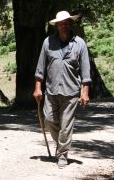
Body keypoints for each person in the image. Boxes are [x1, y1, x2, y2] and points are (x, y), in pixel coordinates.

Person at [33, 10, 91, 168]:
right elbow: (40, 68)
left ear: (70, 24)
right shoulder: (48, 42)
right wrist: (38, 88)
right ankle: (61, 145)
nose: (64, 26)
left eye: (66, 23)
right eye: (61, 23)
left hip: (71, 92)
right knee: (49, 120)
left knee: (66, 125)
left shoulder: (79, 43)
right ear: (57, 26)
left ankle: (63, 154)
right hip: (51, 90)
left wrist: (84, 93)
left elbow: (86, 71)